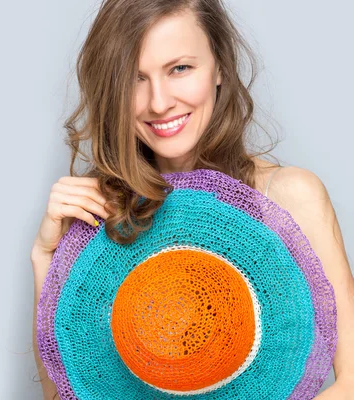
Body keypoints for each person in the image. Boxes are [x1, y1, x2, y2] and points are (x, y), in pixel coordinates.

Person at [31, 0, 354, 399]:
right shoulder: (101, 217)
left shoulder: (289, 197)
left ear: (219, 66)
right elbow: (67, 392)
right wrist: (46, 257)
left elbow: (352, 382)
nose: (159, 102)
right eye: (135, 78)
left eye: (179, 68)